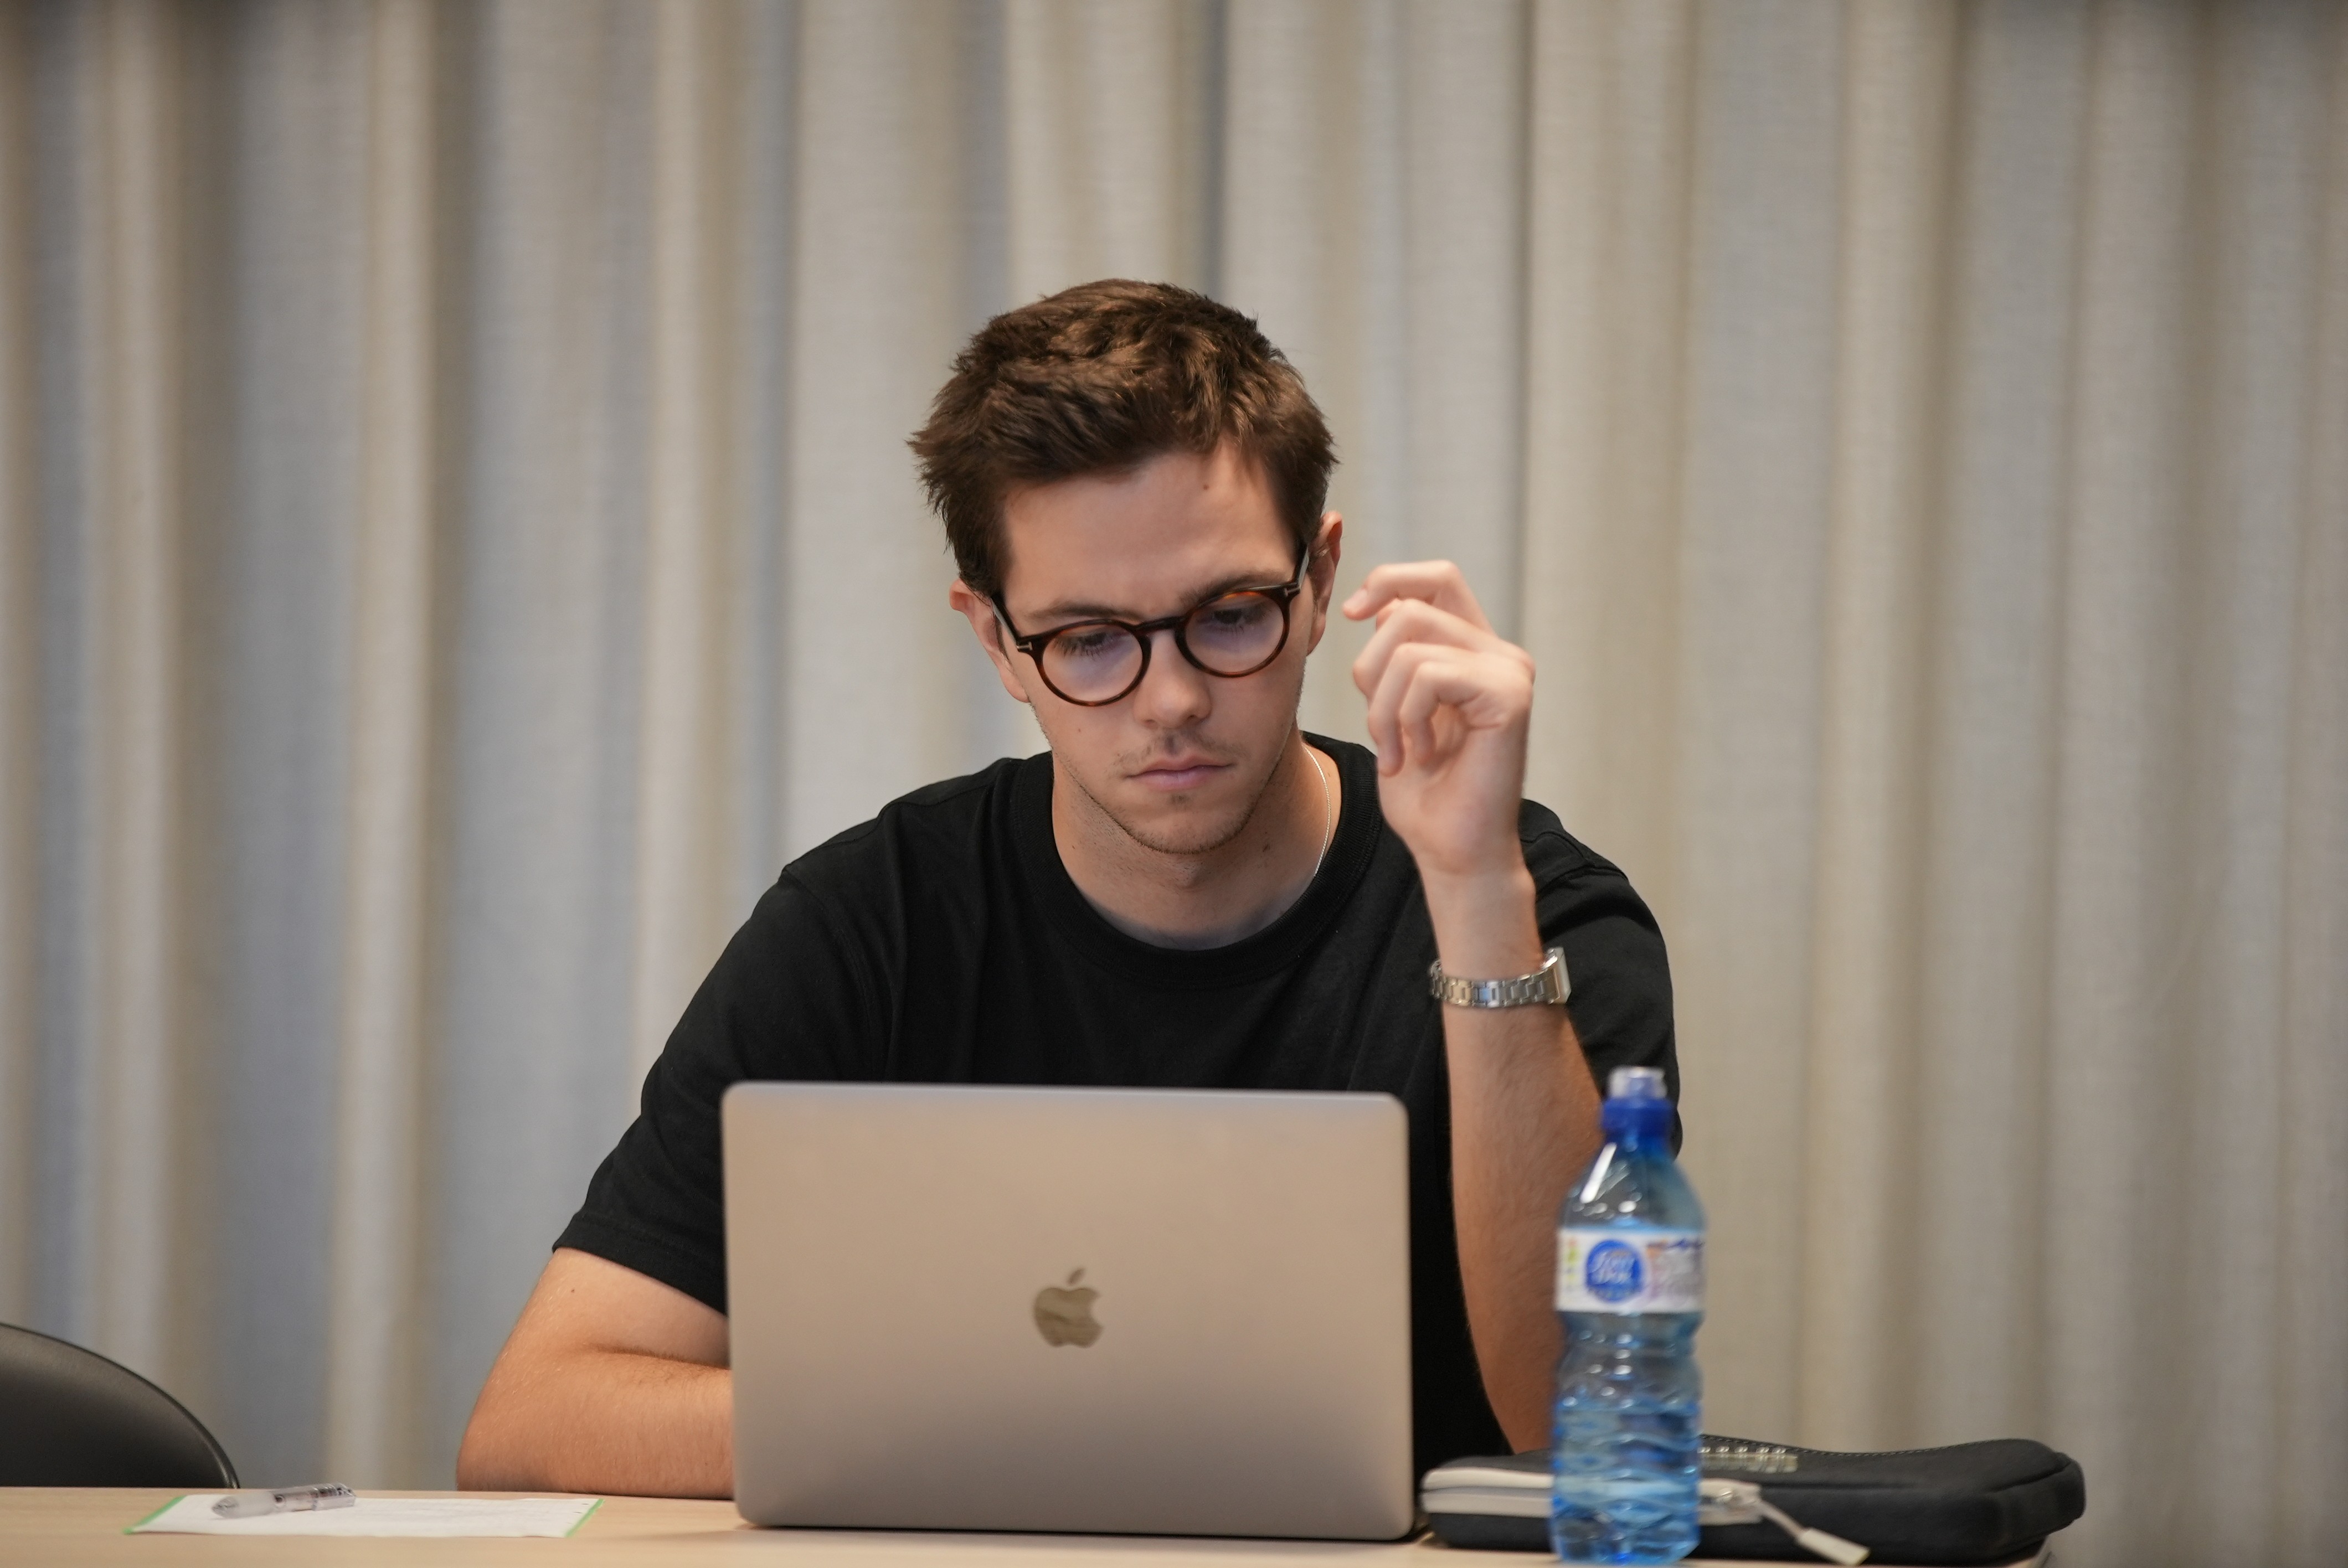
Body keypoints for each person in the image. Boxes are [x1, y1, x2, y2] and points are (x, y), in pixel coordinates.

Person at [456, 280, 1676, 1499]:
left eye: (1229, 615)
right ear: (995, 644)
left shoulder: (1533, 914)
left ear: (1318, 586)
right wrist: (1030, 1425)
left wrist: (1469, 891)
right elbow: (535, 1417)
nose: (1171, 701)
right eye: (1088, 639)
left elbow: (1577, 1434)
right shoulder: (868, 922)